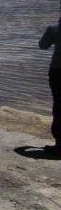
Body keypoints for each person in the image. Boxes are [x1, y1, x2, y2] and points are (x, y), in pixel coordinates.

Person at [38, 15, 61, 157]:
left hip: (58, 71)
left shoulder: (54, 29)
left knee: (59, 105)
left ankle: (60, 145)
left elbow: (42, 45)